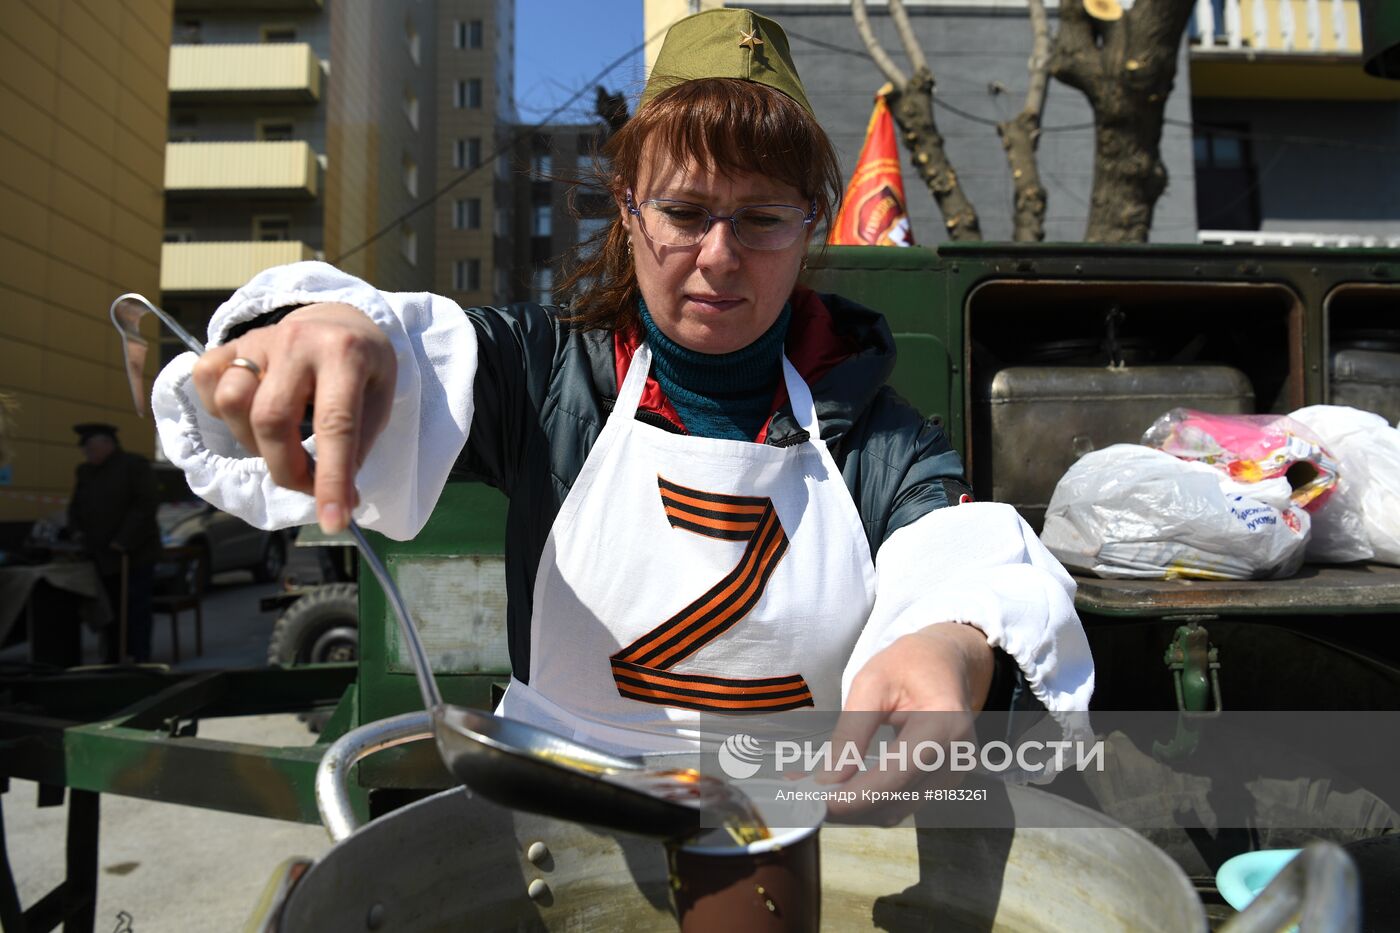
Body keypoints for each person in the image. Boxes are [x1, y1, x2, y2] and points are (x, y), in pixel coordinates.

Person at [151, 9, 1092, 809]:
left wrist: (948, 636)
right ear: (630, 210)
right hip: (551, 808)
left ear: (810, 224)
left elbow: (956, 545)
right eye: (685, 212)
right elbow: (415, 359)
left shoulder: (872, 430)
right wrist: (325, 331)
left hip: (799, 826)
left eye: (762, 218)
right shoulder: (544, 376)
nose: (720, 257)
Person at [67, 422, 160, 663]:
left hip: (133, 555)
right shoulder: (85, 472)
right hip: (100, 556)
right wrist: (76, 532)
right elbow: (76, 507)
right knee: (109, 610)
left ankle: (139, 656)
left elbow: (145, 505)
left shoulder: (133, 465)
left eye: (90, 447)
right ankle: (113, 655)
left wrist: (123, 540)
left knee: (135, 607)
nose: (87, 453)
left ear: (107, 444)